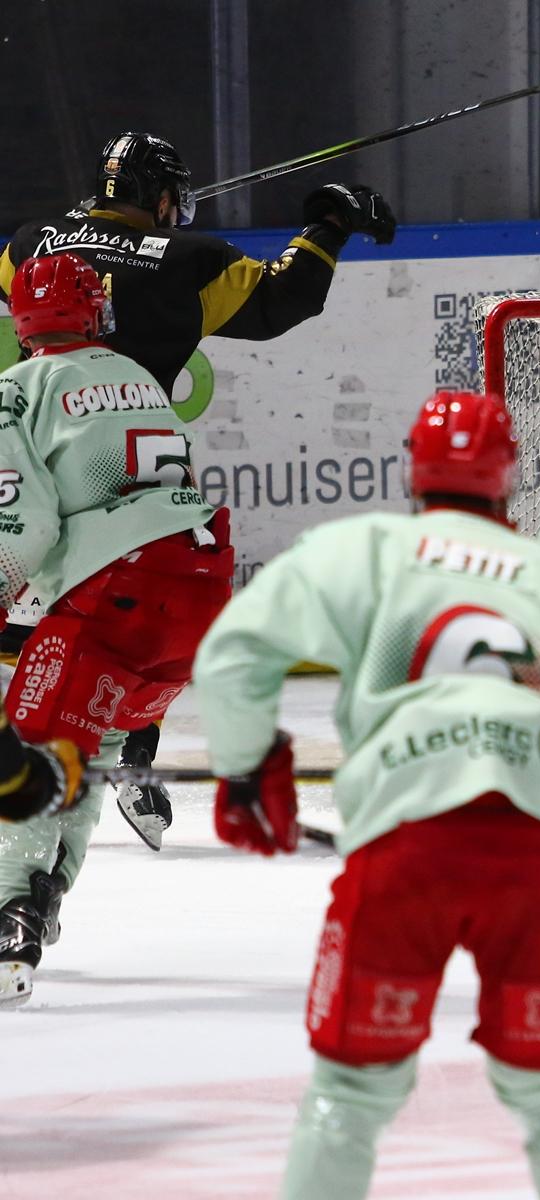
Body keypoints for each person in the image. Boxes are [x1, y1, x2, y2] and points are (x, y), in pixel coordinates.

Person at [191, 391, 540, 1200]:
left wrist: (248, 764)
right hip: (537, 853)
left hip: (405, 849)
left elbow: (232, 653)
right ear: (508, 474)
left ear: (414, 469)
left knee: (349, 1094)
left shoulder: (363, 549)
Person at [0, 131, 395, 850]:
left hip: (40, 435)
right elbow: (282, 301)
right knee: (143, 593)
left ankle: (55, 756)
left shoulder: (33, 242)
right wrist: (329, 225)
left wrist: (87, 230)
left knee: (30, 587)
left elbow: (38, 278)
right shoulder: (190, 260)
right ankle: (127, 747)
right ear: (160, 197)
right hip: (133, 450)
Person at [0, 252, 234, 1008]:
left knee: (30, 746)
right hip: (199, 586)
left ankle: (11, 918)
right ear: (95, 313)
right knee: (89, 749)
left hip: (117, 593)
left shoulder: (19, 389)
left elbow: (24, 522)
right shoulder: (138, 377)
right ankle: (40, 900)